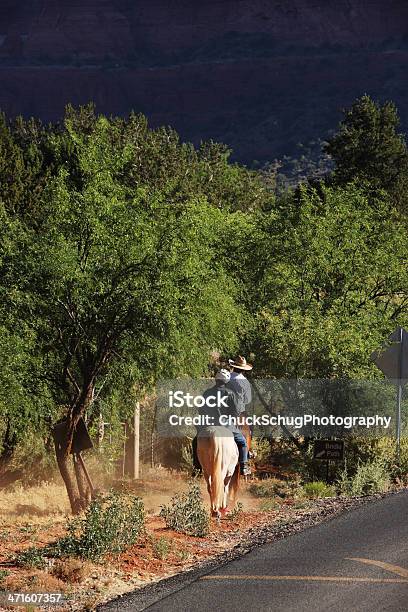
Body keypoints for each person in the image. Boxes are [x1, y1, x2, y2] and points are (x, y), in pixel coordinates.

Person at [192, 369, 250, 476]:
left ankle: (197, 467)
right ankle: (244, 466)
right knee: (242, 442)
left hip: (209, 426)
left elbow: (201, 410)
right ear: (226, 381)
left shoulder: (207, 393)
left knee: (195, 441)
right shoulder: (231, 394)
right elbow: (236, 412)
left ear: (216, 379)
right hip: (227, 427)